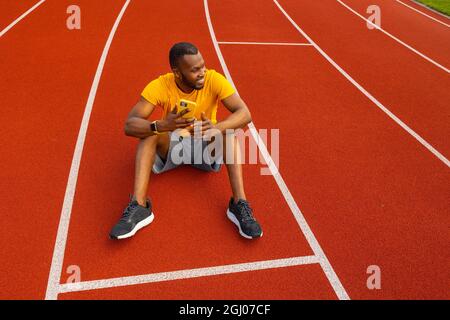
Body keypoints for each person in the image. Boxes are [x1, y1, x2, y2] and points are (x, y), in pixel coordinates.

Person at [109, 42, 262, 240]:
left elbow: (245, 113)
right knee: (148, 134)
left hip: (205, 147)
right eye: (195, 69)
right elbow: (129, 125)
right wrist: (161, 125)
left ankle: (239, 204)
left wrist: (216, 128)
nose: (202, 72)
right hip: (173, 146)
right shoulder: (160, 85)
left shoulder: (214, 79)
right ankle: (139, 207)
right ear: (177, 73)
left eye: (203, 66)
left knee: (229, 132)